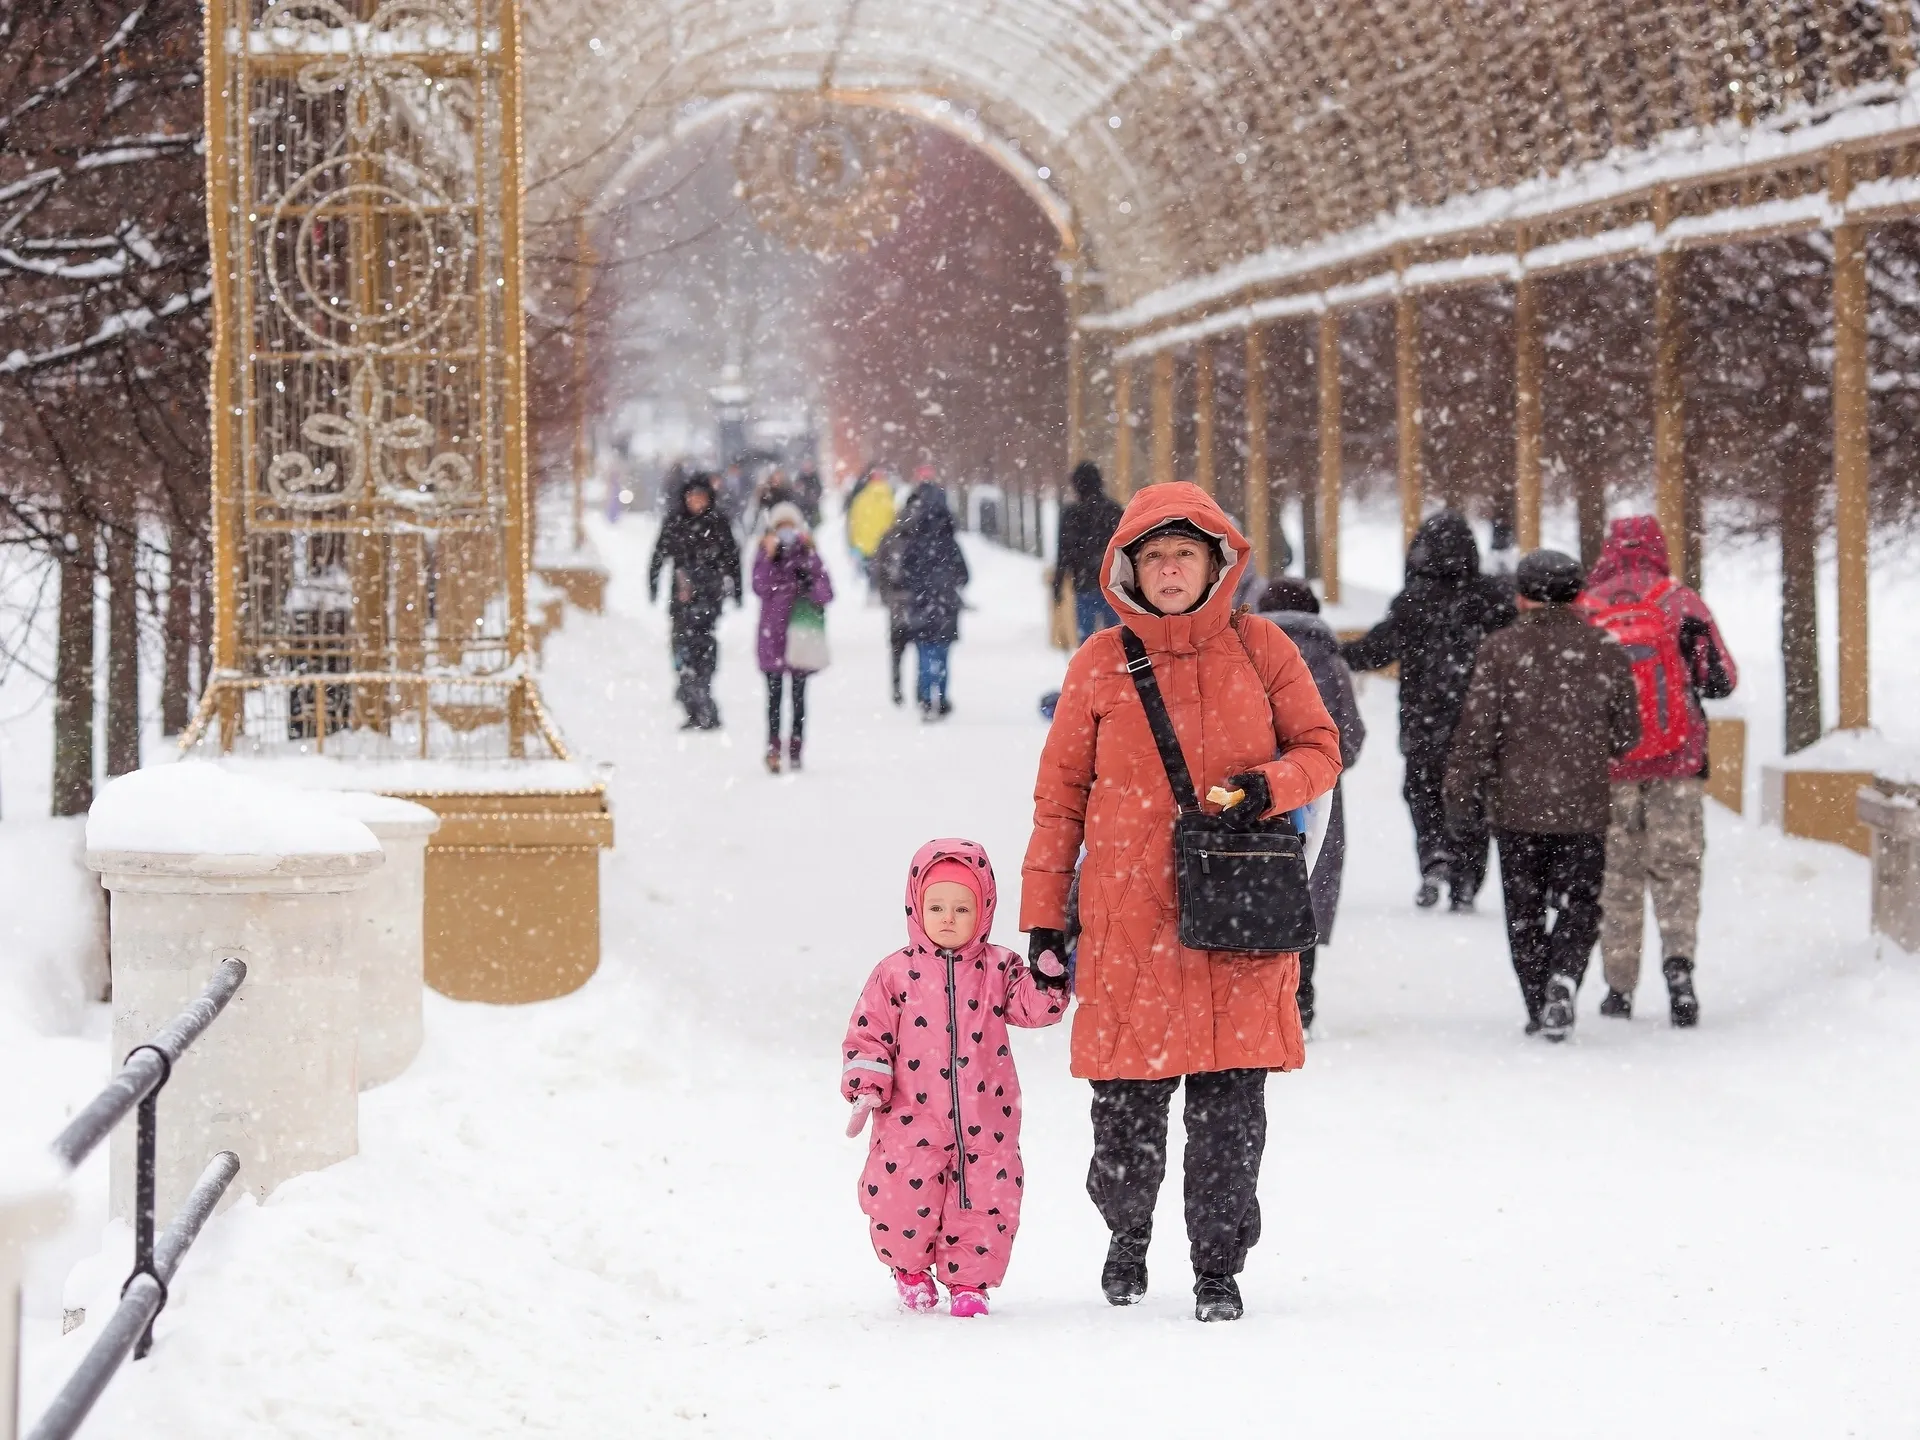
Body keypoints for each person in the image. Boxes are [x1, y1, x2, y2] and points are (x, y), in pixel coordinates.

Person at [1022, 483, 1342, 1322]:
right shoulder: (1098, 663)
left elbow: (1320, 750)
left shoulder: (1265, 648)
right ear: (1129, 568)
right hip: (1128, 921)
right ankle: (1126, 1238)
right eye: (1155, 557)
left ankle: (1218, 1267)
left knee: (1231, 1110)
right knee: (1125, 1107)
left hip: (1239, 910)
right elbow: (1059, 800)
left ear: (1216, 563)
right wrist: (1045, 917)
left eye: (1185, 555)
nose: (1169, 570)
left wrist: (1264, 787)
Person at [841, 839, 1068, 1318]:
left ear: (983, 911)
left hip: (986, 1118)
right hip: (910, 1119)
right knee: (901, 1198)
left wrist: (1049, 978)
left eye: (962, 907)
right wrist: (866, 1084)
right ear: (916, 908)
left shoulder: (998, 968)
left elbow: (1035, 1009)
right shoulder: (894, 974)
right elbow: (869, 1033)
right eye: (937, 906)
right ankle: (909, 1270)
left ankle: (970, 1283)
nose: (948, 918)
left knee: (986, 1201)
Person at [1443, 550, 1641, 1042]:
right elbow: (1626, 735)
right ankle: (1564, 979)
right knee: (1581, 904)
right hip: (1584, 807)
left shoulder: (1500, 649)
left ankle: (1539, 999)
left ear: (1521, 594)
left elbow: (1477, 730)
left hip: (1516, 808)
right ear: (1578, 594)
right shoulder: (1604, 649)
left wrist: (1460, 788)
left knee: (1524, 910)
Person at [1579, 516, 1738, 1026]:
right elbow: (1721, 680)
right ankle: (1679, 971)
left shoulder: (1589, 606)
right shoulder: (1680, 601)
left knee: (1617, 876)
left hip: (1609, 767)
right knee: (1677, 870)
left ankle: (1619, 988)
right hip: (1679, 763)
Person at [1342, 511, 1516, 911]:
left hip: (1424, 719)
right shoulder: (1492, 599)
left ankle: (1434, 854)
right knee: (1472, 796)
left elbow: (1375, 650)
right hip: (1480, 721)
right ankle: (1467, 878)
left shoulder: (1413, 603)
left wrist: (1331, 653)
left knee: (1423, 791)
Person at [1254, 578, 1366, 1033]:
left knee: (1251, 887)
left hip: (1250, 792)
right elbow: (1350, 737)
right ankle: (1303, 993)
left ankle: (1260, 997)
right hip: (1315, 795)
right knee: (1310, 882)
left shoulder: (1244, 657)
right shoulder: (1330, 662)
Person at [646, 472, 741, 730]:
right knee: (681, 650)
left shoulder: (718, 523)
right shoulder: (675, 522)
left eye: (700, 497)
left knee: (704, 649)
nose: (696, 502)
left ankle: (704, 699)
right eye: (692, 497)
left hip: (709, 598)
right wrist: (653, 585)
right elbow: (658, 556)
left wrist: (736, 589)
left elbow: (732, 558)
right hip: (681, 599)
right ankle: (692, 703)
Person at [751, 502, 833, 773]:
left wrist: (809, 578)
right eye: (780, 527)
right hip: (772, 636)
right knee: (774, 699)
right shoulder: (764, 553)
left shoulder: (809, 553)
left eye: (790, 527)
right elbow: (760, 586)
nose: (786, 533)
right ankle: (773, 748)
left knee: (799, 698)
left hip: (800, 636)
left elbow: (826, 593)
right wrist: (771, 558)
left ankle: (796, 747)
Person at [897, 482, 969, 721]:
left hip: (921, 605)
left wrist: (919, 586)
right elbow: (965, 575)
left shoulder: (914, 541)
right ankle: (942, 697)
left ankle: (927, 699)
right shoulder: (950, 542)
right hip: (946, 607)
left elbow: (903, 575)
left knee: (925, 654)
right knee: (943, 654)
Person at [1052, 460, 1124, 642]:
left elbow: (1064, 552)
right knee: (1118, 639)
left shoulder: (1071, 514)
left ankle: (1090, 669)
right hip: (1112, 583)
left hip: (1084, 584)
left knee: (1087, 641)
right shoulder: (1114, 510)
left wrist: (1058, 583)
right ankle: (1116, 669)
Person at [872, 492, 919, 706]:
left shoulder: (890, 536)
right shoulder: (920, 536)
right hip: (916, 602)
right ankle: (918, 690)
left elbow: (879, 568)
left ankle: (897, 688)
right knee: (919, 648)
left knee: (897, 650)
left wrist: (886, 596)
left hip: (897, 602)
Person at [845, 467, 896, 591]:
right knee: (884, 573)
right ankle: (880, 593)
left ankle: (872, 592)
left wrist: (853, 543)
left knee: (870, 572)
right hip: (885, 544)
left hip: (865, 545)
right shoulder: (889, 499)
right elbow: (895, 522)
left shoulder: (861, 499)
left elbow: (853, 523)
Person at [792, 462, 824, 528]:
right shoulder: (800, 477)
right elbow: (796, 490)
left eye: (809, 467)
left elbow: (819, 489)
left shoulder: (815, 477)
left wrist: (814, 496)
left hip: (813, 506)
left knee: (815, 525)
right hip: (803, 507)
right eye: (806, 467)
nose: (807, 469)